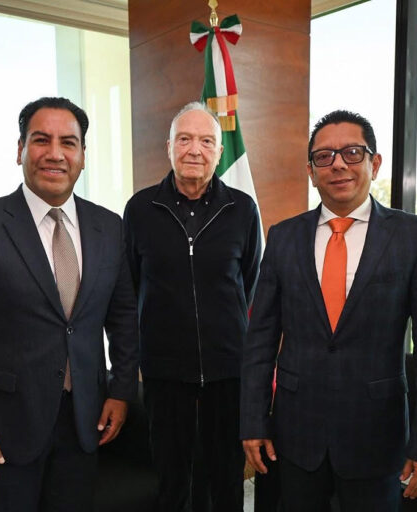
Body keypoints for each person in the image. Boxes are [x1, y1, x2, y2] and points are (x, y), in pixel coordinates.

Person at [240, 110, 417, 511]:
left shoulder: (413, 238)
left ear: (375, 164)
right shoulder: (284, 237)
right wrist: (253, 421)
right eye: (324, 156)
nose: (338, 164)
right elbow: (260, 342)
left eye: (352, 153)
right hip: (295, 434)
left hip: (377, 438)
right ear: (311, 171)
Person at [0, 96, 139, 511]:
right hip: (3, 427)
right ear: (20, 150)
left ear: (82, 156)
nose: (55, 153)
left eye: (69, 142)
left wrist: (121, 392)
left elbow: (123, 318)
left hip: (84, 421)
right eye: (41, 140)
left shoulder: (109, 226)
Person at [123, 102, 261, 511]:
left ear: (220, 152)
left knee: (226, 482)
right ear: (169, 147)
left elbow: (248, 285)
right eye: (184, 139)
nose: (194, 150)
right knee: (173, 483)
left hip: (228, 373)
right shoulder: (140, 209)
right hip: (164, 375)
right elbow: (130, 287)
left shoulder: (242, 209)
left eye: (206, 141)